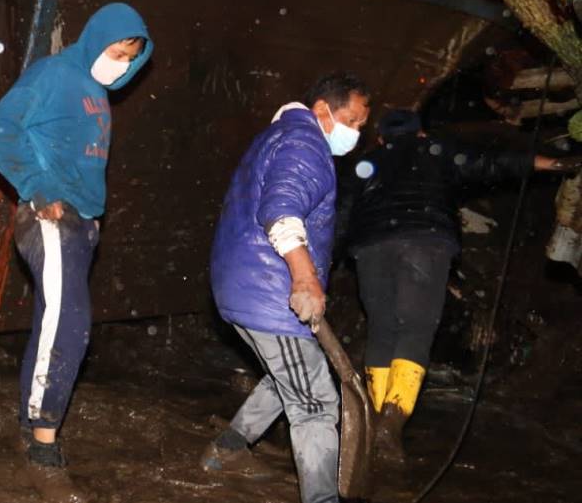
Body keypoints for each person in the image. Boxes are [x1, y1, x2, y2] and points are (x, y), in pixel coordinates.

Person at [0, 3, 152, 503]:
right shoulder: (54, 74)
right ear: (96, 39)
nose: (121, 64)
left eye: (129, 58)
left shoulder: (98, 93)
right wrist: (37, 188)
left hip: (81, 225)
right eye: (116, 51)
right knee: (70, 325)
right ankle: (42, 446)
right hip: (50, 217)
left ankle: (30, 423)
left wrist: (92, 220)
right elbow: (0, 127)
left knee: (53, 323)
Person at [346, 108, 582, 465]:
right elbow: (489, 162)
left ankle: (377, 417)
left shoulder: (368, 163)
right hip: (424, 241)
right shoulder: (434, 150)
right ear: (420, 133)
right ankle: (391, 424)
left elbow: (342, 208)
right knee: (416, 328)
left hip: (371, 248)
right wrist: (549, 163)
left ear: (380, 138)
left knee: (381, 329)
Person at [202, 72, 370, 503]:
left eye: (361, 125)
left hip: (243, 285)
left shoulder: (276, 136)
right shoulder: (304, 143)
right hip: (270, 291)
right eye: (351, 120)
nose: (356, 132)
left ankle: (228, 449)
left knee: (289, 375)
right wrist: (305, 277)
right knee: (315, 402)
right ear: (323, 110)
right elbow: (281, 211)